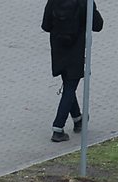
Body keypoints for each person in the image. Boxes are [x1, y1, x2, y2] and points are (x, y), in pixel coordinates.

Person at [40, 0, 101, 142]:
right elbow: (98, 25)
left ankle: (78, 119)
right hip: (75, 51)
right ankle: (58, 128)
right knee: (69, 88)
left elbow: (46, 25)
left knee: (68, 85)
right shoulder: (85, 2)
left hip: (59, 50)